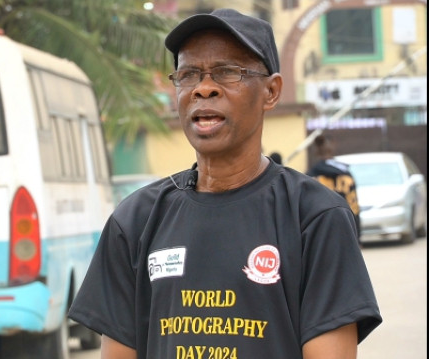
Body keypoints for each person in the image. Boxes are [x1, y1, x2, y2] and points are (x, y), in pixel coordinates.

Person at [68, 8, 381, 359]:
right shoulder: (135, 221)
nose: (203, 88)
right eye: (188, 74)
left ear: (271, 91)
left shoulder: (315, 217)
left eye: (227, 72)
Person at [306, 134, 361, 240]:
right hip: (347, 228)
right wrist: (358, 235)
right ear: (332, 148)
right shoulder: (346, 175)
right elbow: (354, 206)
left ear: (316, 151)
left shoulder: (310, 177)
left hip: (322, 231)